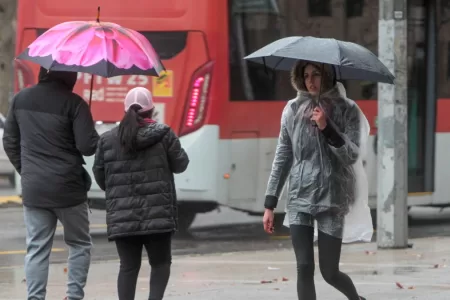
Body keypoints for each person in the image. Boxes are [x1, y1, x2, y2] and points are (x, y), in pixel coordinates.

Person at [262, 61, 369, 300]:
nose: (311, 80)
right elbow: (283, 155)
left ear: (328, 76)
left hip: (332, 197)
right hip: (299, 196)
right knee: (304, 267)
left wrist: (326, 126)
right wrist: (270, 204)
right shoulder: (292, 109)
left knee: (329, 272)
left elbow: (351, 155)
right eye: (306, 75)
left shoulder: (347, 110)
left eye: (317, 74)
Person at [3, 67, 99, 300]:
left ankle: (35, 298)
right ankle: (73, 296)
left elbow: (9, 142)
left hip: (35, 188)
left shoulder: (20, 99)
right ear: (70, 76)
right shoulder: (74, 104)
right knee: (79, 243)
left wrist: (27, 171)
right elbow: (88, 146)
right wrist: (90, 128)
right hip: (69, 188)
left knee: (36, 247)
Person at [92, 87, 189, 300]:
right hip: (159, 216)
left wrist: (118, 193)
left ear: (125, 110)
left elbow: (100, 175)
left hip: (123, 217)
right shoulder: (164, 135)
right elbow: (181, 164)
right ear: (151, 110)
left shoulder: (107, 140)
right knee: (161, 264)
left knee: (128, 267)